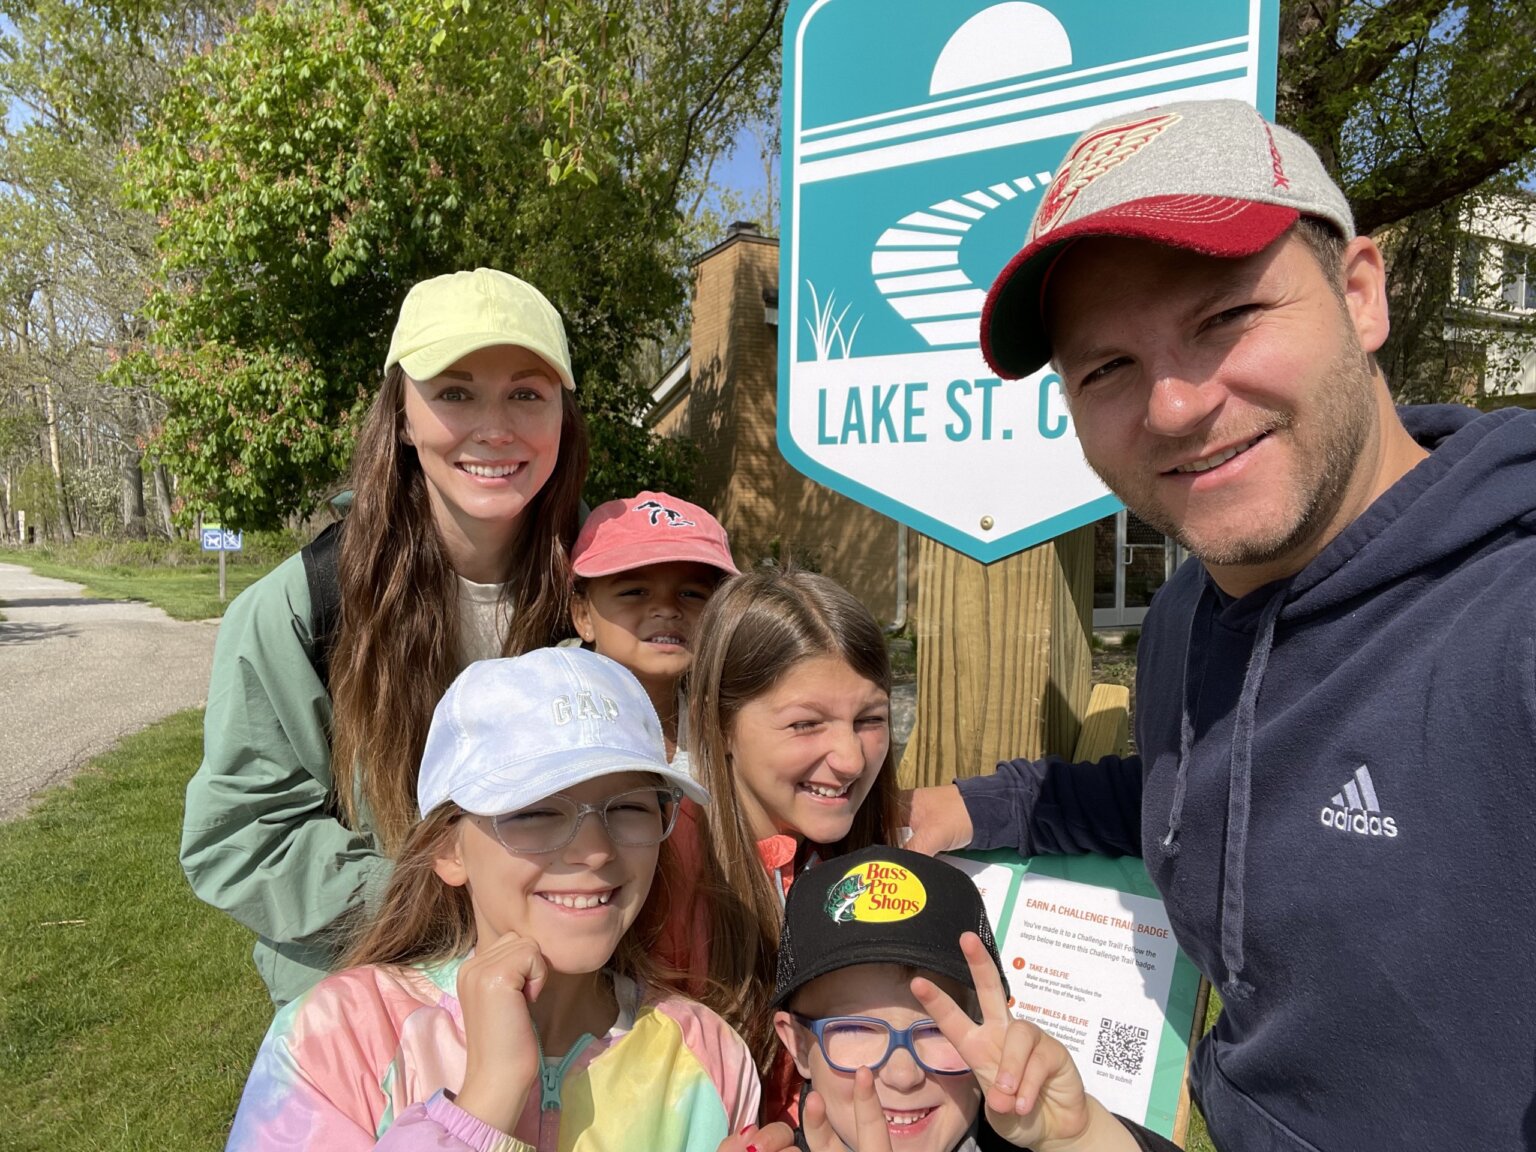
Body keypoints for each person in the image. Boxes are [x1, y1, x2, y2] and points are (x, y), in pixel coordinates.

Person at [905, 97, 1536, 1150]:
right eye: (1107, 368)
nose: (1174, 406)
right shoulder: (1190, 613)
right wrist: (965, 808)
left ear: (1360, 295)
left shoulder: (1509, 621)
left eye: (1225, 318)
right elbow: (1195, 789)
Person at [181, 268, 589, 1005]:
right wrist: (451, 907)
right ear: (401, 415)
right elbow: (241, 838)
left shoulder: (611, 590)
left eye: (527, 394)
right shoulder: (303, 607)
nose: (495, 428)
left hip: (567, 999)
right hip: (372, 1007)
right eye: (455, 393)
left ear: (563, 414)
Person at [225, 647, 760, 1150]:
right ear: (447, 849)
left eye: (629, 808)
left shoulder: (707, 1059)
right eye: (536, 811)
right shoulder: (340, 1038)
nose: (595, 850)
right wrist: (488, 1096)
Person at [666, 566, 904, 1116]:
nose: (851, 759)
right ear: (717, 723)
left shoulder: (886, 855)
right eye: (805, 724)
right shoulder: (664, 872)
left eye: (869, 719)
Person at [761, 847, 1180, 1152]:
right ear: (798, 1044)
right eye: (854, 1029)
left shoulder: (1034, 1136)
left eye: (940, 1029)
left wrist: (1083, 1139)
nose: (904, 1075)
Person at [569, 489, 739, 775]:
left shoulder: (727, 724)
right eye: (635, 592)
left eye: (691, 594)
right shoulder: (549, 716)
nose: (667, 609)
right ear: (583, 615)